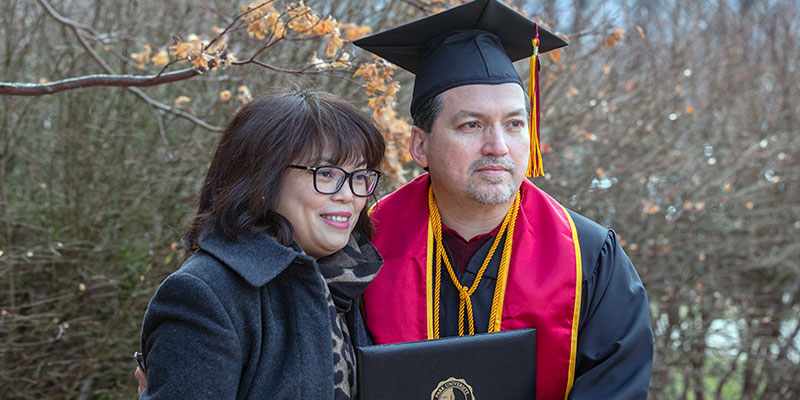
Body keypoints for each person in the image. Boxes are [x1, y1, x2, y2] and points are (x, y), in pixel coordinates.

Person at [353, 0, 654, 398]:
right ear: (420, 145)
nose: (498, 146)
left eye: (514, 124)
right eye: (471, 125)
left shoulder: (592, 258)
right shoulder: (360, 247)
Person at [137, 89, 385, 399]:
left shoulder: (352, 283)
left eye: (360, 176)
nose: (348, 194)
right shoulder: (204, 295)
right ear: (263, 175)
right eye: (327, 173)